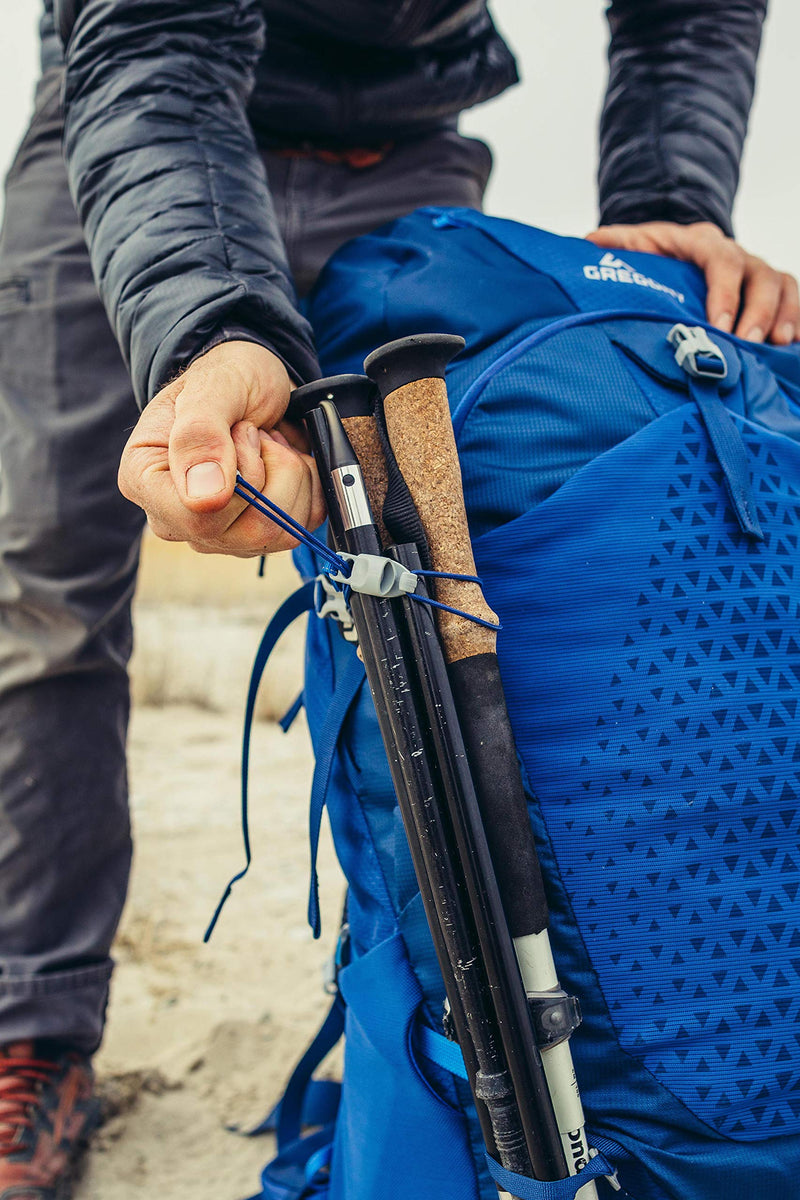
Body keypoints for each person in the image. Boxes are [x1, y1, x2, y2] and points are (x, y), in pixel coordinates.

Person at [0, 1, 795, 1195]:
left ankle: (411, 996)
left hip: (406, 144)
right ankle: (35, 1024)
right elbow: (158, 34)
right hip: (136, 137)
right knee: (52, 598)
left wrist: (669, 191)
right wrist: (211, 326)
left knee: (423, 593)